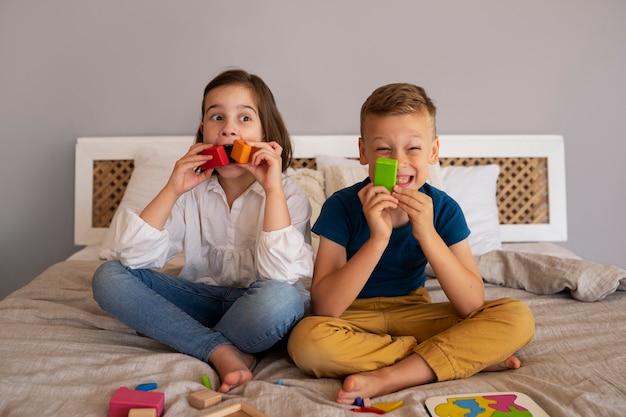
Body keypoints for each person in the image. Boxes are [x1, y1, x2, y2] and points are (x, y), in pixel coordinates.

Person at [287, 83, 535, 403]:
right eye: (384, 149)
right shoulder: (341, 206)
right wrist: (378, 238)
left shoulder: (444, 209)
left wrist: (427, 234)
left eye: (413, 149)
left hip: (415, 313)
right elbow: (326, 308)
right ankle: (455, 357)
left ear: (433, 151)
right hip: (352, 319)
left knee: (517, 317)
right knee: (305, 342)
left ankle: (392, 375)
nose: (399, 162)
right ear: (364, 152)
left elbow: (472, 303)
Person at [92, 69, 313, 393]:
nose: (229, 129)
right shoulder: (190, 190)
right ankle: (223, 350)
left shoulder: (289, 195)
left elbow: (281, 275)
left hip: (257, 305)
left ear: (266, 130)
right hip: (199, 298)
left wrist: (273, 190)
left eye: (245, 118)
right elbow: (133, 257)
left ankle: (181, 333)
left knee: (283, 299)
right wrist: (171, 189)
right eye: (217, 117)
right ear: (203, 130)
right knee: (108, 276)